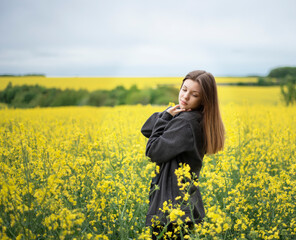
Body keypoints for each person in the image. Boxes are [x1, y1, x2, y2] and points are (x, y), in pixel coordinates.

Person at [141, 70, 225, 239]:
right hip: (186, 205)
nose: (185, 97)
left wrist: (166, 117)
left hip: (171, 209)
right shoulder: (197, 119)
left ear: (203, 99)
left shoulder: (185, 123)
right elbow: (147, 129)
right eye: (184, 89)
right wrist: (170, 113)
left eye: (194, 95)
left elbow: (153, 151)